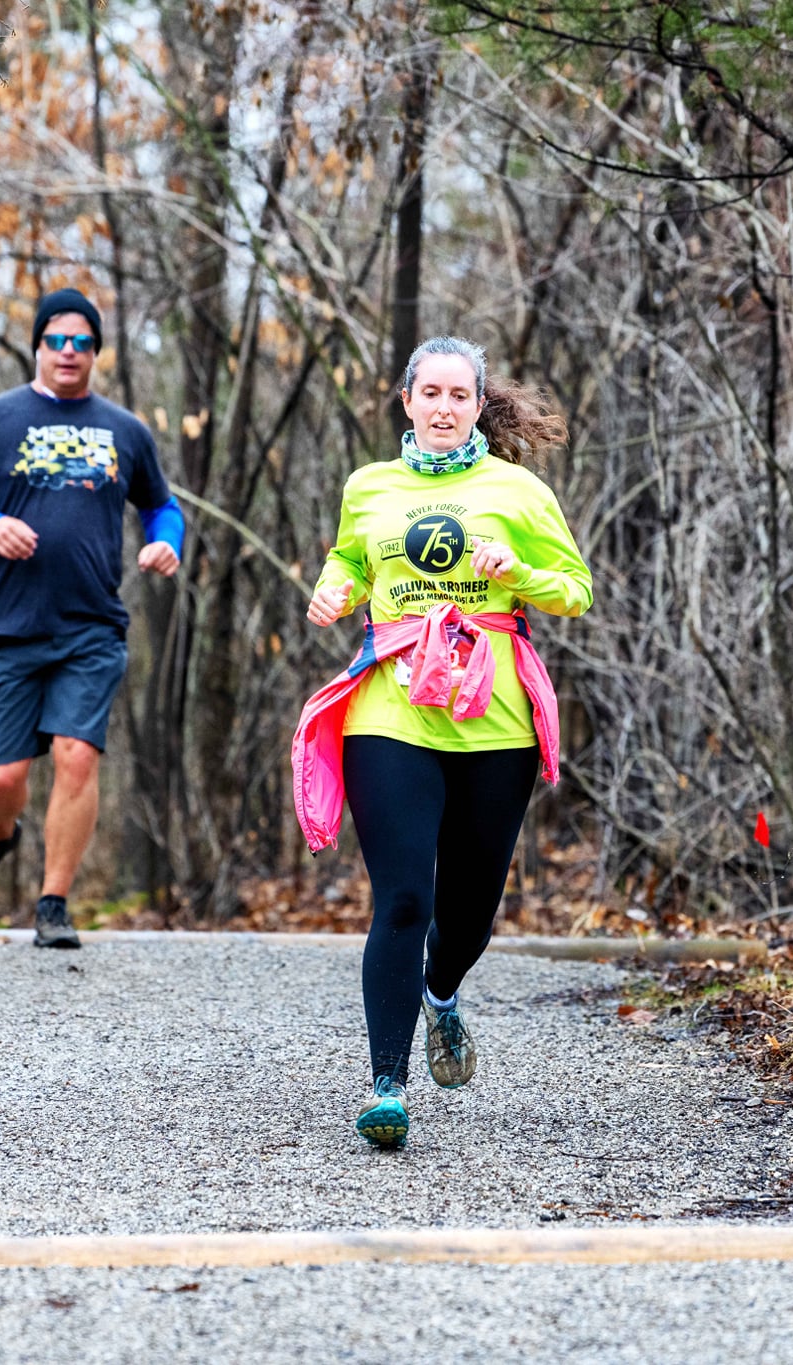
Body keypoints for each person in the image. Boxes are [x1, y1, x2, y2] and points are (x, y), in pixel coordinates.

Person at [292, 335, 592, 1147]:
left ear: (478, 405)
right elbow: (349, 560)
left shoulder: (518, 491)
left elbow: (575, 590)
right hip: (390, 711)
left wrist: (514, 572)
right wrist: (334, 589)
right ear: (408, 400)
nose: (444, 407)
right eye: (431, 392)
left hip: (495, 722)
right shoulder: (370, 486)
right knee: (403, 898)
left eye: (460, 395)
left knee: (468, 916)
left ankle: (442, 991)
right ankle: (386, 1084)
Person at [0, 287, 184, 948]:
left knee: (76, 755)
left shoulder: (125, 430)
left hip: (91, 625)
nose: (68, 351)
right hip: (7, 628)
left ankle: (53, 905)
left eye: (82, 342)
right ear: (37, 346)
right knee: (4, 776)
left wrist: (166, 543)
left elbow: (161, 507)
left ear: (96, 352)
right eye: (56, 340)